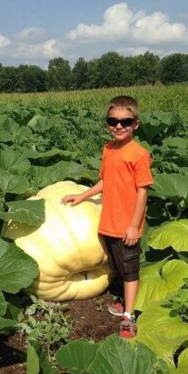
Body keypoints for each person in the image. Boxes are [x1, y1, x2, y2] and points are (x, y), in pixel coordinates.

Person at [61, 96, 154, 338]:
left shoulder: (139, 154)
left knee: (130, 271)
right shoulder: (108, 149)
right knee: (118, 267)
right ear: (107, 123)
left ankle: (129, 317)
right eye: (113, 121)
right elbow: (105, 181)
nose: (119, 126)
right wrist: (82, 196)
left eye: (126, 121)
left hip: (126, 227)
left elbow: (143, 191)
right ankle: (125, 303)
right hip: (108, 224)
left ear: (136, 124)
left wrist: (134, 226)